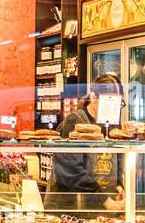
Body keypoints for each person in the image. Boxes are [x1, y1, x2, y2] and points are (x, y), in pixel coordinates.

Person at [48, 73, 126, 212]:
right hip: (71, 210)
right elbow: (70, 170)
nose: (114, 108)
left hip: (100, 211)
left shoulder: (112, 127)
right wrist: (104, 200)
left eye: (119, 103)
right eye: (109, 101)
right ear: (93, 97)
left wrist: (119, 184)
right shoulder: (74, 122)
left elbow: (116, 161)